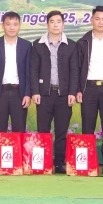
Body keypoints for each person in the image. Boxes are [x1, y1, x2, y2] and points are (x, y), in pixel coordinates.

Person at [31, 10, 79, 174]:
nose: (56, 25)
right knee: (43, 131)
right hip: (44, 94)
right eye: (52, 22)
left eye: (59, 22)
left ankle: (59, 163)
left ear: (63, 24)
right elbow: (33, 70)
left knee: (61, 131)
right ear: (47, 24)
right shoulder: (37, 45)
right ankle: (43, 163)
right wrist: (35, 92)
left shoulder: (71, 45)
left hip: (63, 95)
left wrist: (72, 92)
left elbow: (74, 71)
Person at [75, 5, 103, 175]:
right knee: (88, 126)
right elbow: (77, 68)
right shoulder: (83, 43)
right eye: (97, 19)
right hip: (88, 89)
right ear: (91, 20)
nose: (100, 22)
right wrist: (78, 89)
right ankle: (87, 161)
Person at [0, 11, 31, 133]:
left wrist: (27, 94)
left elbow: (28, 72)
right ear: (3, 25)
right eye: (8, 24)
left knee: (19, 130)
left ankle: (19, 148)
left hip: (19, 93)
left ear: (19, 26)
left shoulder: (26, 45)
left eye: (15, 24)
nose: (12, 27)